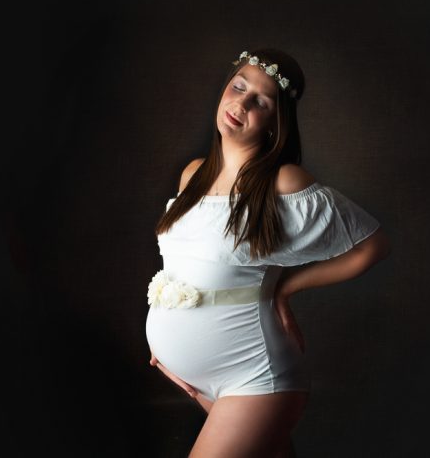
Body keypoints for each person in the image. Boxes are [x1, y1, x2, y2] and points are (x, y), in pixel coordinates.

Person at [146, 48, 391, 458]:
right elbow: (185, 264)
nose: (241, 103)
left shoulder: (284, 184)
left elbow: (373, 246)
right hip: (194, 378)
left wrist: (285, 289)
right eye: (238, 87)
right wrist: (167, 331)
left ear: (276, 123)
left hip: (254, 376)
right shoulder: (193, 173)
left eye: (260, 101)